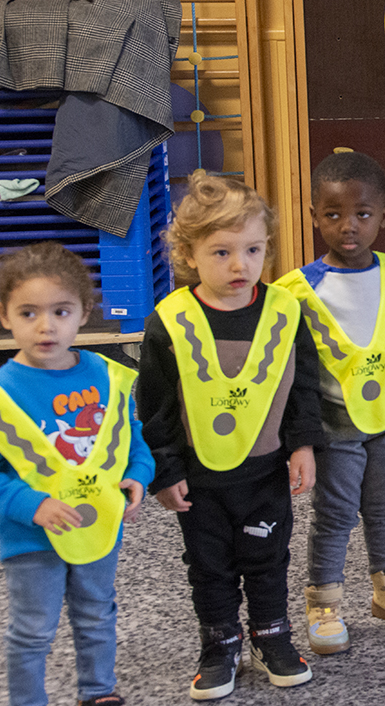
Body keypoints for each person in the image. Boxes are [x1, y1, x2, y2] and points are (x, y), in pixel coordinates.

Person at [138, 171, 322, 699]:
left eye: (253, 249)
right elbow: (155, 406)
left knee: (268, 558)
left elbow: (302, 385)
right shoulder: (167, 322)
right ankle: (219, 643)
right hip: (199, 478)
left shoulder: (286, 312)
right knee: (209, 565)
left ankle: (271, 635)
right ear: (189, 254)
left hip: (265, 471)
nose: (240, 265)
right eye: (221, 252)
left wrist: (303, 445)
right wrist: (165, 471)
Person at [274, 153, 385, 655]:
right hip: (334, 421)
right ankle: (323, 602)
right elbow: (287, 373)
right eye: (334, 214)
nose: (349, 226)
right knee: (337, 512)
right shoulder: (295, 290)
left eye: (363, 214)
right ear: (314, 215)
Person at [0, 243, 152, 706]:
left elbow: (131, 441)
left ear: (84, 313)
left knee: (97, 614)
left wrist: (138, 477)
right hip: (32, 539)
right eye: (29, 313)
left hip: (97, 525)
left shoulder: (108, 377)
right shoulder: (1, 394)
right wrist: (33, 505)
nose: (46, 326)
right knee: (33, 629)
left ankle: (98, 692)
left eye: (61, 311)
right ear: (4, 315)